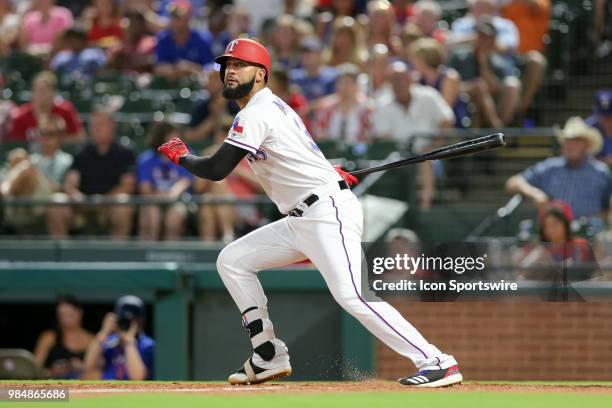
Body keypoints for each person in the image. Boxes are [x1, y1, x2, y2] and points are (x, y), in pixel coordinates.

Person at [157, 38, 462, 387]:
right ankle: (267, 353)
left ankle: (436, 360)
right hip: (303, 215)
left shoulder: (257, 111)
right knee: (232, 260)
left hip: (325, 212)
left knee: (353, 294)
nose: (229, 71)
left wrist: (182, 156)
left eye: (239, 65)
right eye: (227, 65)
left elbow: (215, 169)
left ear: (260, 74)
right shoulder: (270, 108)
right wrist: (328, 173)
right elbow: (298, 155)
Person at [372, 61, 454, 210]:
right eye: (393, 80)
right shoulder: (382, 104)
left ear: (410, 79)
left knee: (426, 159)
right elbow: (384, 138)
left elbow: (447, 120)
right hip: (398, 157)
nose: (397, 83)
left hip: (431, 154)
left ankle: (424, 209)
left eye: (401, 78)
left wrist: (435, 145)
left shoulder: (428, 95)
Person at [506, 116, 611, 221]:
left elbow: (607, 208)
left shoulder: (601, 173)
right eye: (567, 140)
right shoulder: (549, 168)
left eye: (576, 140)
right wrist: (533, 193)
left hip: (590, 234)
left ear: (587, 145)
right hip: (555, 234)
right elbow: (513, 183)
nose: (570, 144)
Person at [58, 107, 137, 237]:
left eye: (100, 125)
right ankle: (61, 255)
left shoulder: (125, 152)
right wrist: (79, 198)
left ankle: (117, 255)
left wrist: (103, 201)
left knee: (123, 204)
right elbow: (70, 183)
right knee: (57, 203)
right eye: (92, 125)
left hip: (110, 205)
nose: (95, 129)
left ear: (112, 126)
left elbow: (127, 185)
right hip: (84, 206)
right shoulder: (83, 152)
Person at [0, 115, 73, 236]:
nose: (45, 138)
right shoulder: (33, 159)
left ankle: (3, 192)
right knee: (18, 157)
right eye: (42, 133)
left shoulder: (67, 160)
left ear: (60, 137)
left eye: (50, 134)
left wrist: (35, 175)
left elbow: (63, 188)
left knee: (23, 162)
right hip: (24, 200)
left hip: (48, 197)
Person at [447, 19, 520, 128]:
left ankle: (501, 126)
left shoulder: (498, 60)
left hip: (490, 100)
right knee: (478, 85)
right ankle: (497, 127)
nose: (482, 40)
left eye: (487, 37)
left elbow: (494, 88)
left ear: (493, 39)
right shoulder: (459, 56)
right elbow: (449, 81)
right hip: (461, 93)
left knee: (511, 84)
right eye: (480, 35)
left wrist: (483, 63)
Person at [137, 121, 193, 241]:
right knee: (152, 216)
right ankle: (147, 254)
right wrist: (158, 195)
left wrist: (173, 194)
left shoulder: (186, 156)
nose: (176, 141)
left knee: (174, 218)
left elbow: (186, 180)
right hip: (153, 199)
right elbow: (144, 188)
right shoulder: (146, 159)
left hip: (178, 200)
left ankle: (172, 257)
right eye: (172, 137)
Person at [83, 295, 155, 380]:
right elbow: (88, 368)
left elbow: (137, 377)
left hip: (133, 392)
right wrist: (104, 332)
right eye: (124, 319)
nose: (127, 323)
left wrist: (129, 342)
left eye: (133, 320)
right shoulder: (109, 341)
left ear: (142, 320)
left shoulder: (148, 345)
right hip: (108, 390)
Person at [9, 71, 85, 144]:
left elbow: (80, 137)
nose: (40, 94)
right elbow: (16, 143)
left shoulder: (65, 110)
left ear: (53, 92)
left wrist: (54, 139)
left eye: (44, 90)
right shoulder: (20, 115)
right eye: (37, 90)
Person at [33, 295, 93, 379]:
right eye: (62, 316)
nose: (66, 319)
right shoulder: (49, 337)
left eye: (70, 315)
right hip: (55, 387)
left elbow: (101, 370)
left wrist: (82, 367)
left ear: (80, 312)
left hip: (84, 388)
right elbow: (34, 369)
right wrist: (51, 371)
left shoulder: (92, 340)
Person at [154, 0, 214, 81]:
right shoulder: (163, 39)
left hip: (196, 86)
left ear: (189, 17)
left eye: (178, 17)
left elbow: (209, 70)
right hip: (170, 86)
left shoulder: (202, 39)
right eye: (172, 16)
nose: (174, 21)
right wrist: (174, 69)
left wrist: (190, 68)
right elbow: (158, 67)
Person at [314, 63, 373, 143]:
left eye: (349, 82)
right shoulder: (326, 107)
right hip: (331, 153)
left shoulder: (366, 108)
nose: (345, 87)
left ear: (356, 85)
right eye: (341, 82)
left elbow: (370, 136)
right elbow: (319, 134)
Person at [588, 89, 612, 166]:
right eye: (602, 115)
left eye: (609, 116)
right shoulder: (587, 128)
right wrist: (604, 161)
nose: (605, 119)